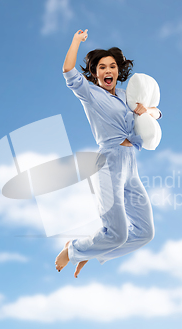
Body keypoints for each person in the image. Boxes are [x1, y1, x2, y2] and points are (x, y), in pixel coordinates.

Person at [55, 29, 162, 278]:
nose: (107, 71)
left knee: (145, 233)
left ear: (118, 71)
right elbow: (68, 72)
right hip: (108, 163)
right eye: (101, 67)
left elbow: (155, 112)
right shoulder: (90, 94)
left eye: (112, 66)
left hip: (131, 166)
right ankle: (73, 251)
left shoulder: (126, 96)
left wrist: (148, 112)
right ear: (95, 73)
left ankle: (92, 253)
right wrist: (76, 41)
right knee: (117, 232)